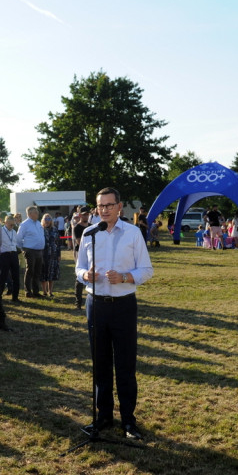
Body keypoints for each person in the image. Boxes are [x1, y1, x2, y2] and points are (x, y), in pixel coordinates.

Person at [74, 187, 154, 440]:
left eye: (109, 205)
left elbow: (147, 269)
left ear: (119, 207)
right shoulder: (89, 233)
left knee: (125, 365)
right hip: (95, 304)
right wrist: (86, 275)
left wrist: (126, 277)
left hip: (123, 305)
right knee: (100, 364)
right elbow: (79, 268)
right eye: (100, 206)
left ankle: (128, 420)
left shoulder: (133, 233)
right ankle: (104, 416)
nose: (104, 210)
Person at [16, 206, 45, 298]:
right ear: (29, 214)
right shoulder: (24, 224)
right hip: (29, 250)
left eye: (37, 212)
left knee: (37, 271)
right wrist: (23, 248)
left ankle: (36, 291)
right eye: (35, 212)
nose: (37, 214)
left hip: (39, 250)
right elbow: (19, 238)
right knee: (30, 270)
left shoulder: (39, 223)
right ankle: (28, 291)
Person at [0, 214, 21, 303]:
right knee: (3, 276)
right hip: (4, 255)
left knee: (16, 276)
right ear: (5, 222)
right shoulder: (0, 231)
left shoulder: (14, 232)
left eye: (13, 225)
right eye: (10, 225)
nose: (12, 226)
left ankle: (15, 297)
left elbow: (16, 243)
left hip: (14, 254)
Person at [41, 213, 61, 298]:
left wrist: (59, 254)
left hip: (53, 254)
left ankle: (50, 291)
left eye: (49, 219)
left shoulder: (55, 229)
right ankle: (44, 291)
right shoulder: (40, 229)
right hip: (43, 254)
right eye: (46, 219)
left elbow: (58, 243)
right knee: (43, 273)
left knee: (52, 273)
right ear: (43, 220)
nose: (47, 221)